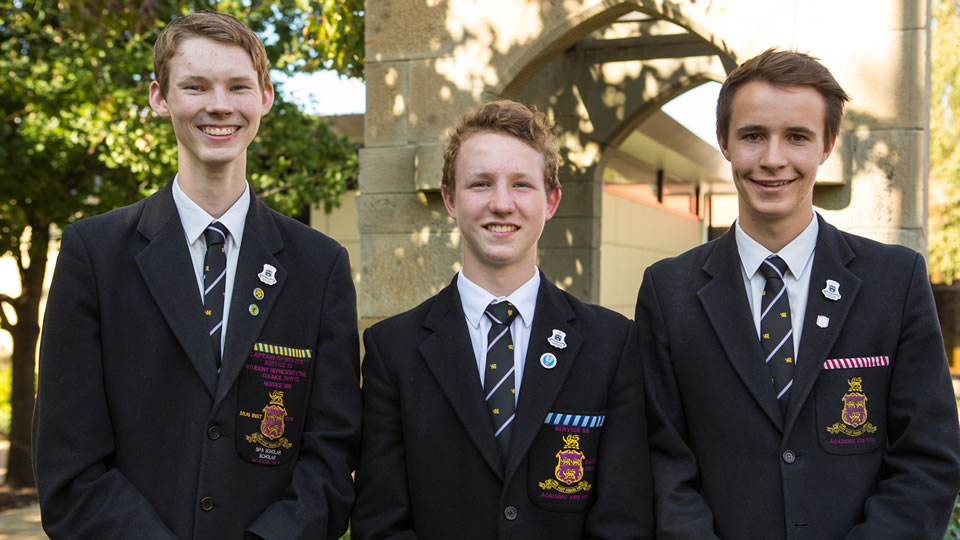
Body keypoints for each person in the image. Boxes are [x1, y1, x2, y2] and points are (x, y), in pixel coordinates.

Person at [32, 11, 360, 539]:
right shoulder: (92, 255)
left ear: (265, 98)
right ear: (160, 97)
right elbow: (68, 463)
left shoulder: (319, 266)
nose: (219, 105)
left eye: (238, 86)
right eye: (195, 86)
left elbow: (332, 453)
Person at [636, 48, 960, 539]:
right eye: (752, 136)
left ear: (827, 144)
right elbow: (663, 462)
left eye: (796, 137)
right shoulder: (668, 291)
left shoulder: (895, 281)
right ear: (723, 141)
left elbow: (928, 459)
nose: (772, 159)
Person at [351, 100, 653, 539]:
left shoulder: (613, 344)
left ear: (551, 201)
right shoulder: (391, 349)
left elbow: (624, 520)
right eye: (480, 183)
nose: (501, 203)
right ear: (450, 199)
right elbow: (380, 521)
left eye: (521, 184)